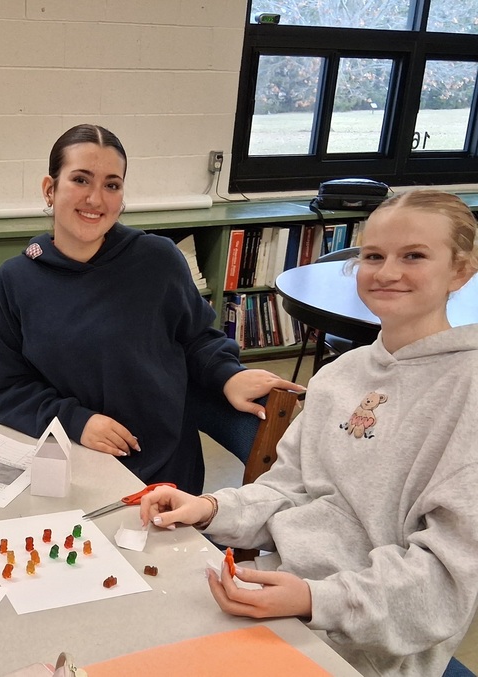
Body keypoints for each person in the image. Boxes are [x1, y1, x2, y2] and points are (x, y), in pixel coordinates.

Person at [139, 189, 478, 676]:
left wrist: (316, 599)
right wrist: (211, 508)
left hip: (370, 652)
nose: (387, 272)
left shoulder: (467, 391)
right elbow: (288, 488)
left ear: (461, 269)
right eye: (373, 256)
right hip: (282, 603)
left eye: (414, 256)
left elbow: (445, 583)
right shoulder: (339, 375)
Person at [0, 124, 301, 493]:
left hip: (163, 471)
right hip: (69, 462)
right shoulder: (16, 279)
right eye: (81, 180)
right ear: (50, 189)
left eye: (111, 185)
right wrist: (76, 421)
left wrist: (227, 374)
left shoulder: (157, 259)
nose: (96, 199)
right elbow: (0, 387)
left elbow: (195, 338)